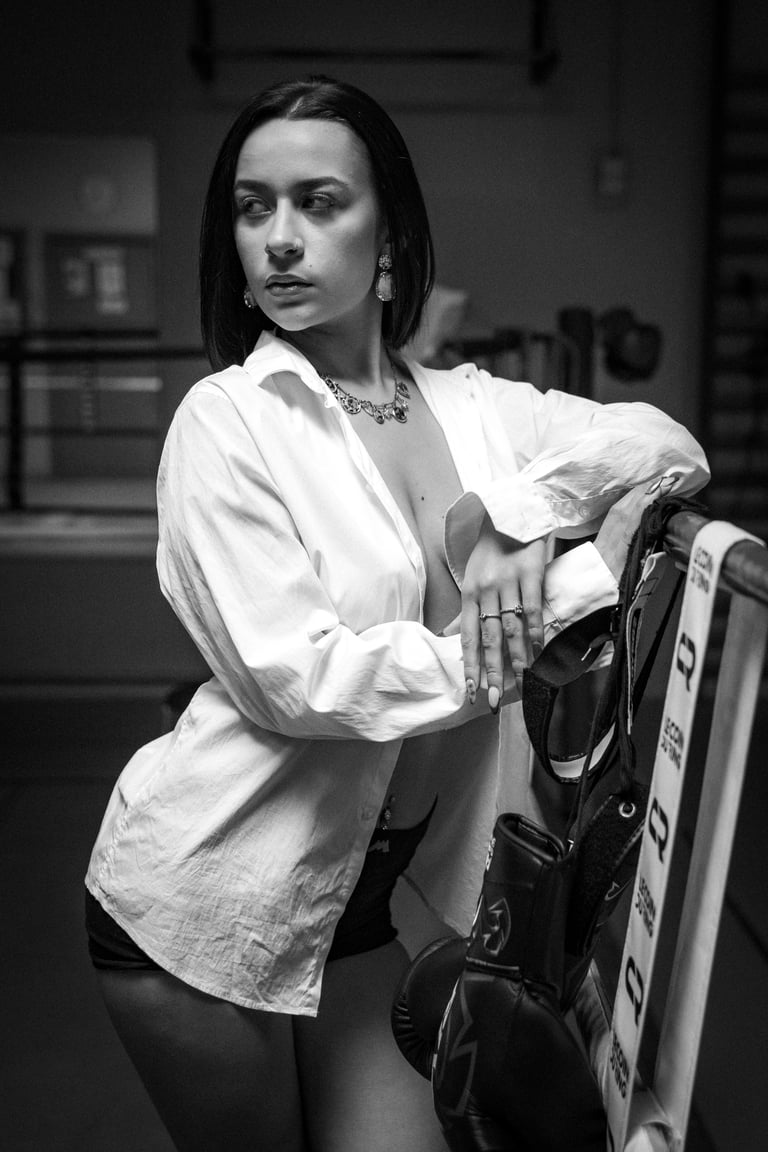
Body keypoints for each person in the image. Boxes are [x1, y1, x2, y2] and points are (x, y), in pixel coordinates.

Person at [84, 75, 709, 1152]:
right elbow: (303, 682)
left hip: (370, 913)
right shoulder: (226, 422)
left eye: (319, 202)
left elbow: (666, 446)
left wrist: (515, 515)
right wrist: (565, 596)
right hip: (205, 909)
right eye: (252, 207)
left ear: (389, 240)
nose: (280, 237)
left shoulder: (480, 410)